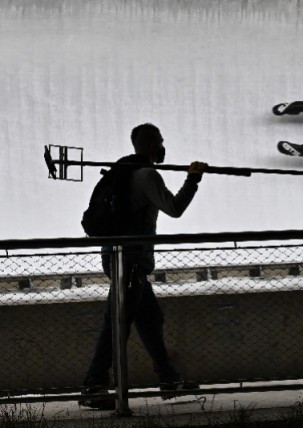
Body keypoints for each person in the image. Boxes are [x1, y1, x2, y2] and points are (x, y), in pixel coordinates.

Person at [79, 123, 208, 410]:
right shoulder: (147, 175)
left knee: (150, 319)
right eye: (160, 142)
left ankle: (168, 379)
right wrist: (193, 180)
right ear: (152, 146)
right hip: (132, 262)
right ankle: (93, 384)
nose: (163, 147)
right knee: (117, 324)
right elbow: (174, 208)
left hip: (120, 259)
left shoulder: (124, 171)